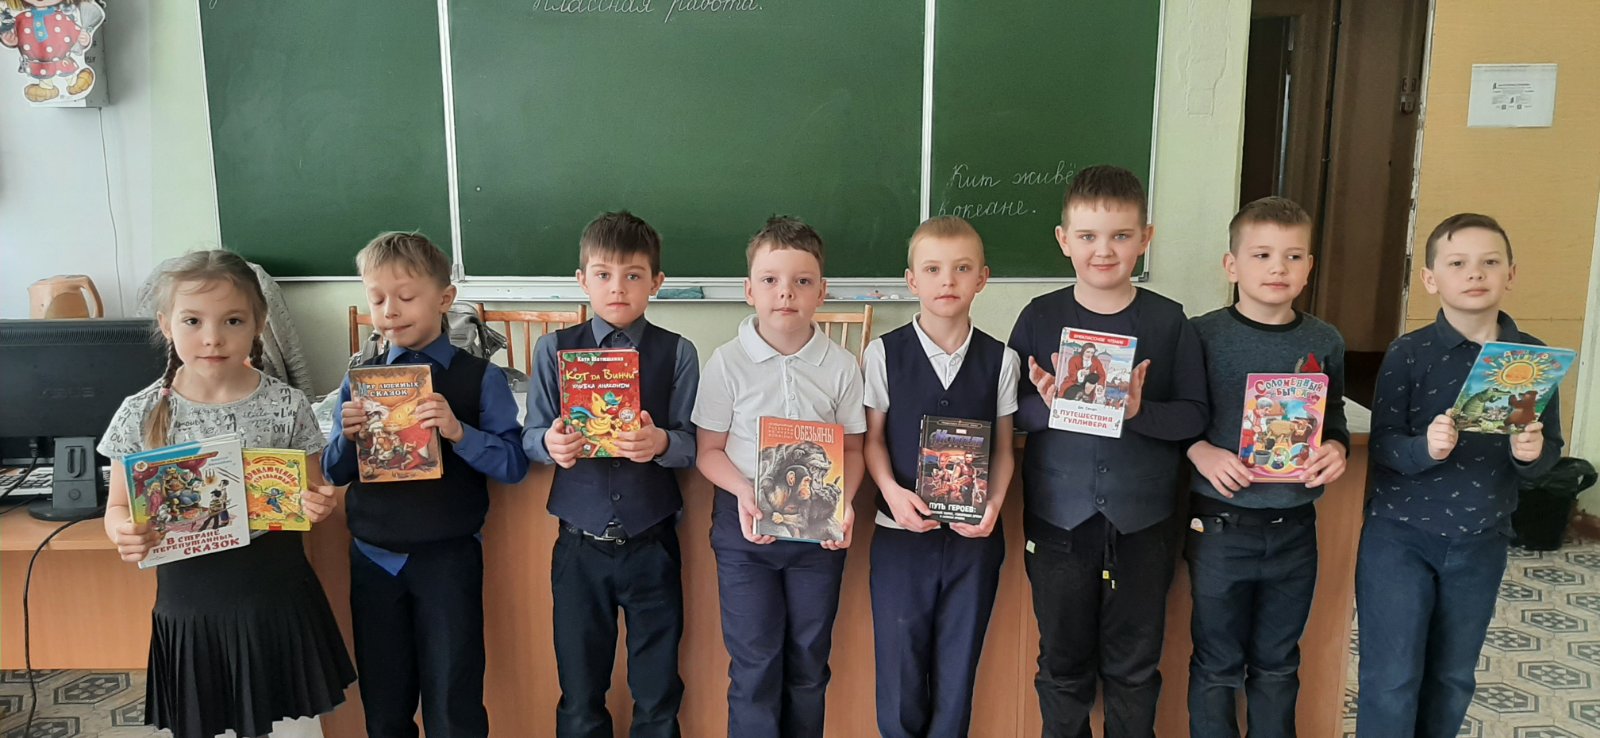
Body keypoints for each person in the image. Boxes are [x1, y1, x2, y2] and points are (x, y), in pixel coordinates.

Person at [100, 249, 353, 738]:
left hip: (275, 594)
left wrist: (318, 503)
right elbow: (116, 508)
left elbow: (314, 487)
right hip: (191, 603)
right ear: (166, 325)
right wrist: (123, 532)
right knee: (204, 721)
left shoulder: (287, 404)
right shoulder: (139, 413)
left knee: (291, 728)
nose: (212, 337)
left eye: (233, 320)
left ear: (258, 324)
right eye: (192, 320)